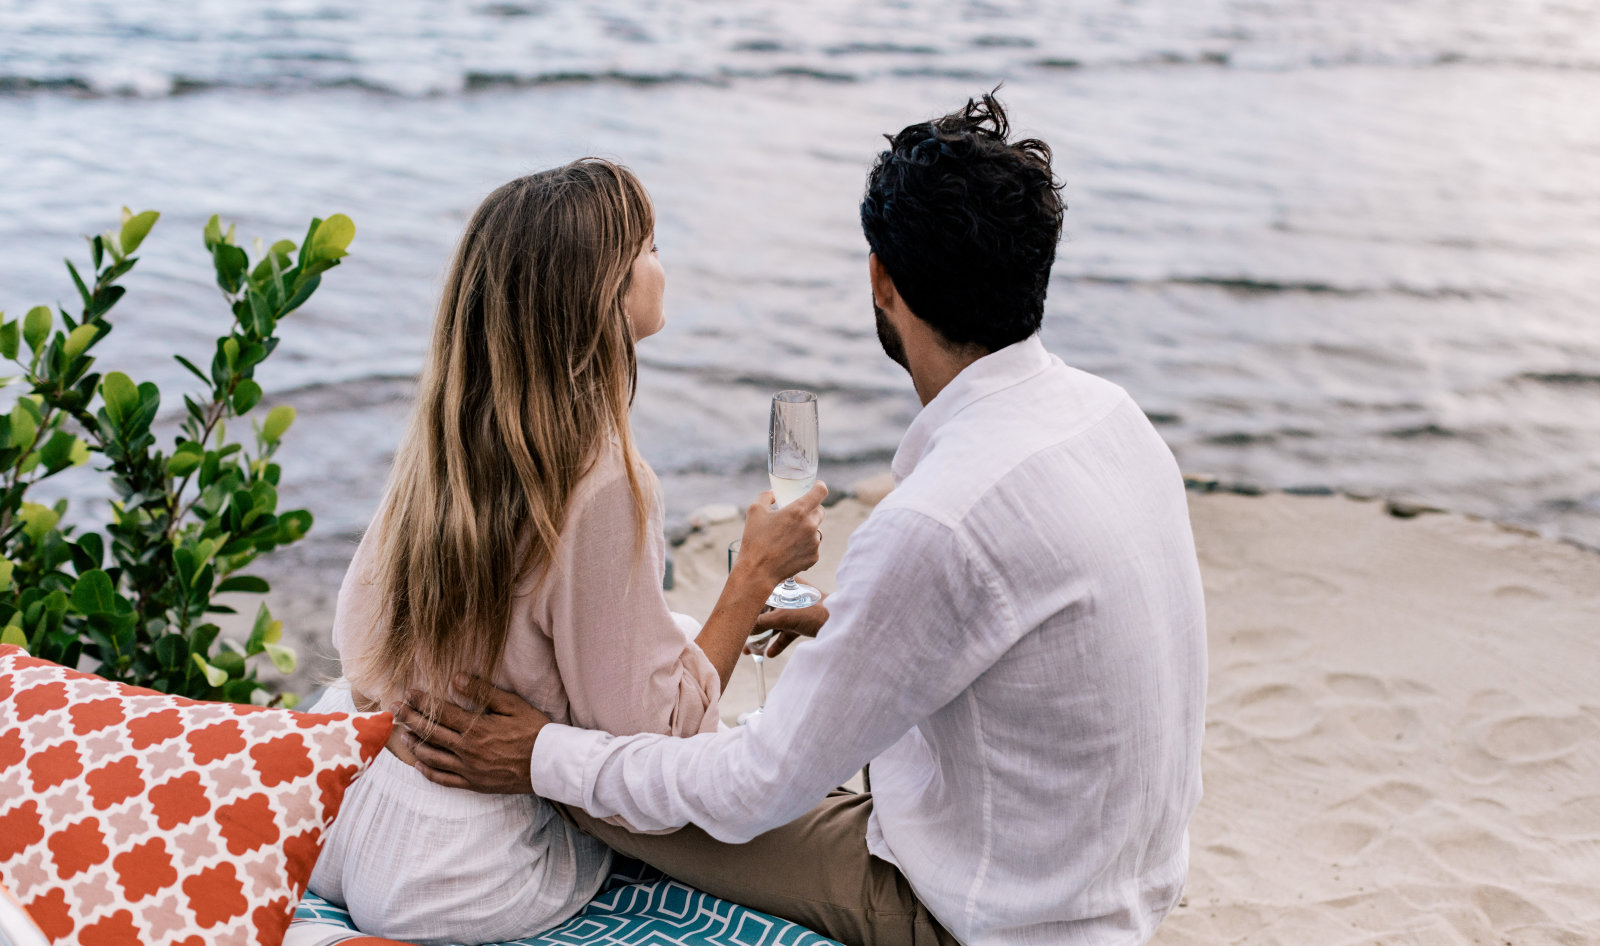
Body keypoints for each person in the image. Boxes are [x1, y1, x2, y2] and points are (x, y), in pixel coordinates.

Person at [397, 96, 1209, 946]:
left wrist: (537, 753)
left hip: (994, 915)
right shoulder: (1111, 416)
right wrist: (850, 620)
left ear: (880, 280)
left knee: (603, 776)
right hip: (1117, 879)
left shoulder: (936, 520)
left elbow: (751, 788)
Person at [307, 159, 826, 945]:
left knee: (670, 633)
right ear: (604, 296)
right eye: (650, 248)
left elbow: (360, 642)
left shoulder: (447, 436)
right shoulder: (602, 480)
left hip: (352, 822)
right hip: (472, 875)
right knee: (682, 748)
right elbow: (656, 739)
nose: (662, 266)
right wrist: (752, 576)